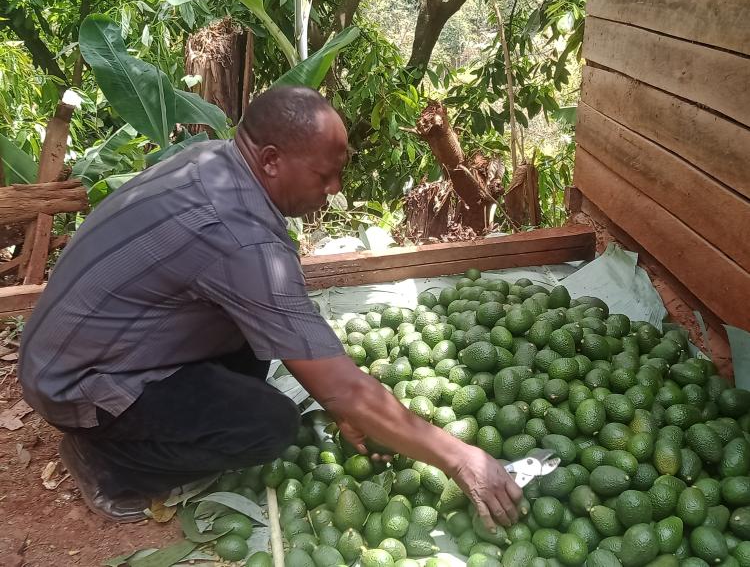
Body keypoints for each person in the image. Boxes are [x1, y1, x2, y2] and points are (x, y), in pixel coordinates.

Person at [18, 86, 522, 527]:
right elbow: (343, 385)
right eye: (325, 176)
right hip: (78, 382)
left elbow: (291, 329)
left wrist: (344, 402)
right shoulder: (240, 237)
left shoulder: (214, 160)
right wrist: (459, 458)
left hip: (77, 347)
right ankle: (107, 463)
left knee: (261, 347)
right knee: (268, 427)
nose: (334, 190)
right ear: (272, 160)